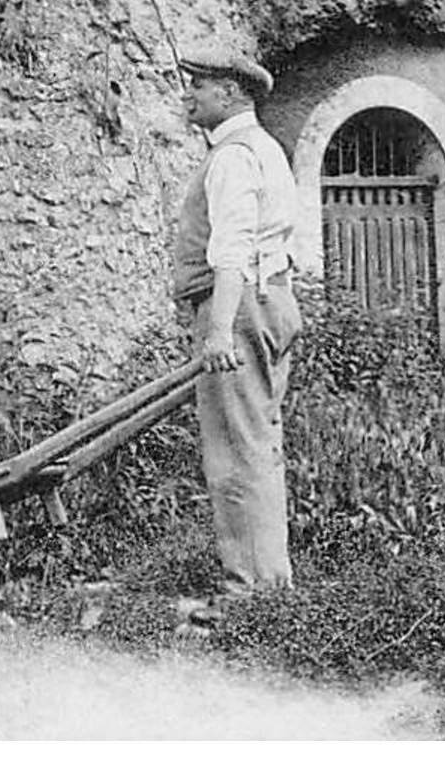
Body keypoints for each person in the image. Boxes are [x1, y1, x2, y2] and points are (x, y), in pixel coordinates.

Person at [171, 52, 301, 595]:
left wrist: (220, 329)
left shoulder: (233, 155)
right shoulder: (265, 149)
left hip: (239, 305)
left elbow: (233, 247)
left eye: (198, 86)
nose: (189, 96)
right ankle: (269, 579)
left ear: (228, 93)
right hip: (272, 299)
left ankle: (252, 589)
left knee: (234, 449)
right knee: (259, 441)